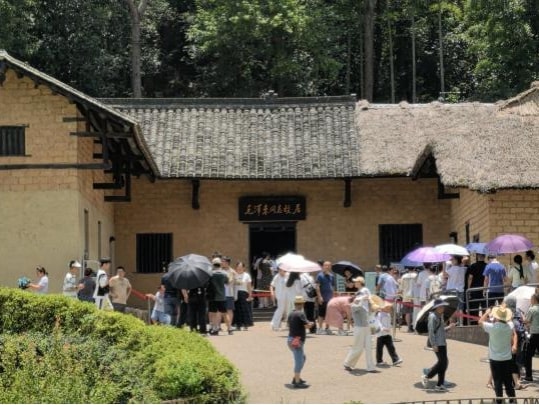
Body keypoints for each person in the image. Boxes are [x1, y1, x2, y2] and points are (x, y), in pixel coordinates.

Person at [479, 305, 517, 403]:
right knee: (508, 381)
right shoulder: (510, 326)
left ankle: (499, 400)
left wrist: (487, 313)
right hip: (507, 358)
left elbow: (480, 322)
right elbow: (510, 322)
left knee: (497, 381)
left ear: (496, 316)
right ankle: (512, 399)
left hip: (495, 359)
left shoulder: (492, 327)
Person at [343, 277, 378, 373]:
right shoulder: (359, 296)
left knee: (368, 346)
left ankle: (370, 367)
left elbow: (369, 303)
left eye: (356, 282)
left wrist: (368, 302)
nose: (354, 283)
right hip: (360, 325)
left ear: (360, 282)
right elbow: (355, 306)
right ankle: (348, 363)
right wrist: (361, 300)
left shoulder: (363, 292)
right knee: (358, 347)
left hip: (366, 324)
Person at [421, 298, 456, 391]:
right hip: (437, 343)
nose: (443, 308)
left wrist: (449, 327)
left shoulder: (440, 316)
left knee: (443, 363)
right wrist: (434, 344)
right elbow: (431, 332)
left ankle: (439, 384)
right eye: (441, 306)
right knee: (442, 362)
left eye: (443, 306)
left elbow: (441, 330)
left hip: (442, 342)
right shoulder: (432, 317)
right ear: (437, 307)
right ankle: (427, 376)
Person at [287, 295, 314, 389]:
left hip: (291, 338)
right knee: (299, 360)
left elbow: (288, 324)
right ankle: (297, 381)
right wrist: (311, 323)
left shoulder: (291, 313)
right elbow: (307, 326)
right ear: (302, 304)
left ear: (295, 304)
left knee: (302, 358)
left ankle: (296, 377)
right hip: (297, 339)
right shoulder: (301, 314)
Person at [207, 257, 232, 335]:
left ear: (213, 264)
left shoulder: (210, 274)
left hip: (213, 296)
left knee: (213, 313)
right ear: (220, 264)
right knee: (225, 313)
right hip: (222, 296)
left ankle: (215, 329)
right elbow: (227, 282)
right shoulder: (224, 273)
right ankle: (229, 329)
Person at [376, 302, 403, 366]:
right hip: (381, 335)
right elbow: (378, 322)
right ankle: (379, 361)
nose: (389, 309)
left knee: (391, 347)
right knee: (379, 348)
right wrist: (382, 328)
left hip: (388, 334)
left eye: (390, 308)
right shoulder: (379, 314)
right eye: (388, 308)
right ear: (383, 308)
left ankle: (395, 360)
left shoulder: (388, 314)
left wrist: (389, 327)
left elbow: (389, 322)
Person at [523, 293, 539, 382]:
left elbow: (526, 321)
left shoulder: (532, 309)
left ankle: (528, 375)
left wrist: (522, 316)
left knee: (528, 355)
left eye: (531, 299)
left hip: (535, 334)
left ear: (534, 299)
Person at [316, 261, 335, 334]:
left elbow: (332, 286)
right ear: (323, 266)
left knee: (329, 313)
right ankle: (320, 329)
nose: (327, 267)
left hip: (329, 298)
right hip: (322, 297)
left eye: (328, 265)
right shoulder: (319, 275)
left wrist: (333, 296)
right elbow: (317, 287)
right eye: (325, 265)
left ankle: (327, 328)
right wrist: (319, 297)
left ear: (330, 267)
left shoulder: (331, 276)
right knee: (321, 313)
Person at [466, 253, 486, 321]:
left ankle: (475, 321)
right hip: (484, 288)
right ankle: (484, 321)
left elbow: (470, 278)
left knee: (474, 307)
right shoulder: (487, 266)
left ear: (477, 256)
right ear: (484, 256)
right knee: (484, 307)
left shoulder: (473, 266)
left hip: (474, 289)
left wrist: (468, 288)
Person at [233, 261, 253, 330]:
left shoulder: (247, 275)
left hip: (244, 293)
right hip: (235, 293)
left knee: (245, 310)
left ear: (244, 268)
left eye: (241, 267)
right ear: (236, 267)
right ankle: (238, 325)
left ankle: (245, 324)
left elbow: (249, 286)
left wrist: (250, 295)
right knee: (237, 310)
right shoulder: (234, 275)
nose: (239, 268)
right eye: (238, 267)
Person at [400, 268, 417, 332]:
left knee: (407, 312)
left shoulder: (403, 276)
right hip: (414, 296)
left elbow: (401, 288)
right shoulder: (416, 275)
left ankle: (409, 327)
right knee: (414, 311)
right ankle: (414, 326)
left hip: (405, 296)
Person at [222, 256, 237, 330]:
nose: (222, 263)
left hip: (229, 293)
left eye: (223, 261)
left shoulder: (232, 271)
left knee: (229, 310)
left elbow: (232, 283)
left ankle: (229, 326)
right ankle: (222, 326)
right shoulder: (220, 270)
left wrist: (235, 295)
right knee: (222, 311)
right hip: (221, 293)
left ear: (227, 262)